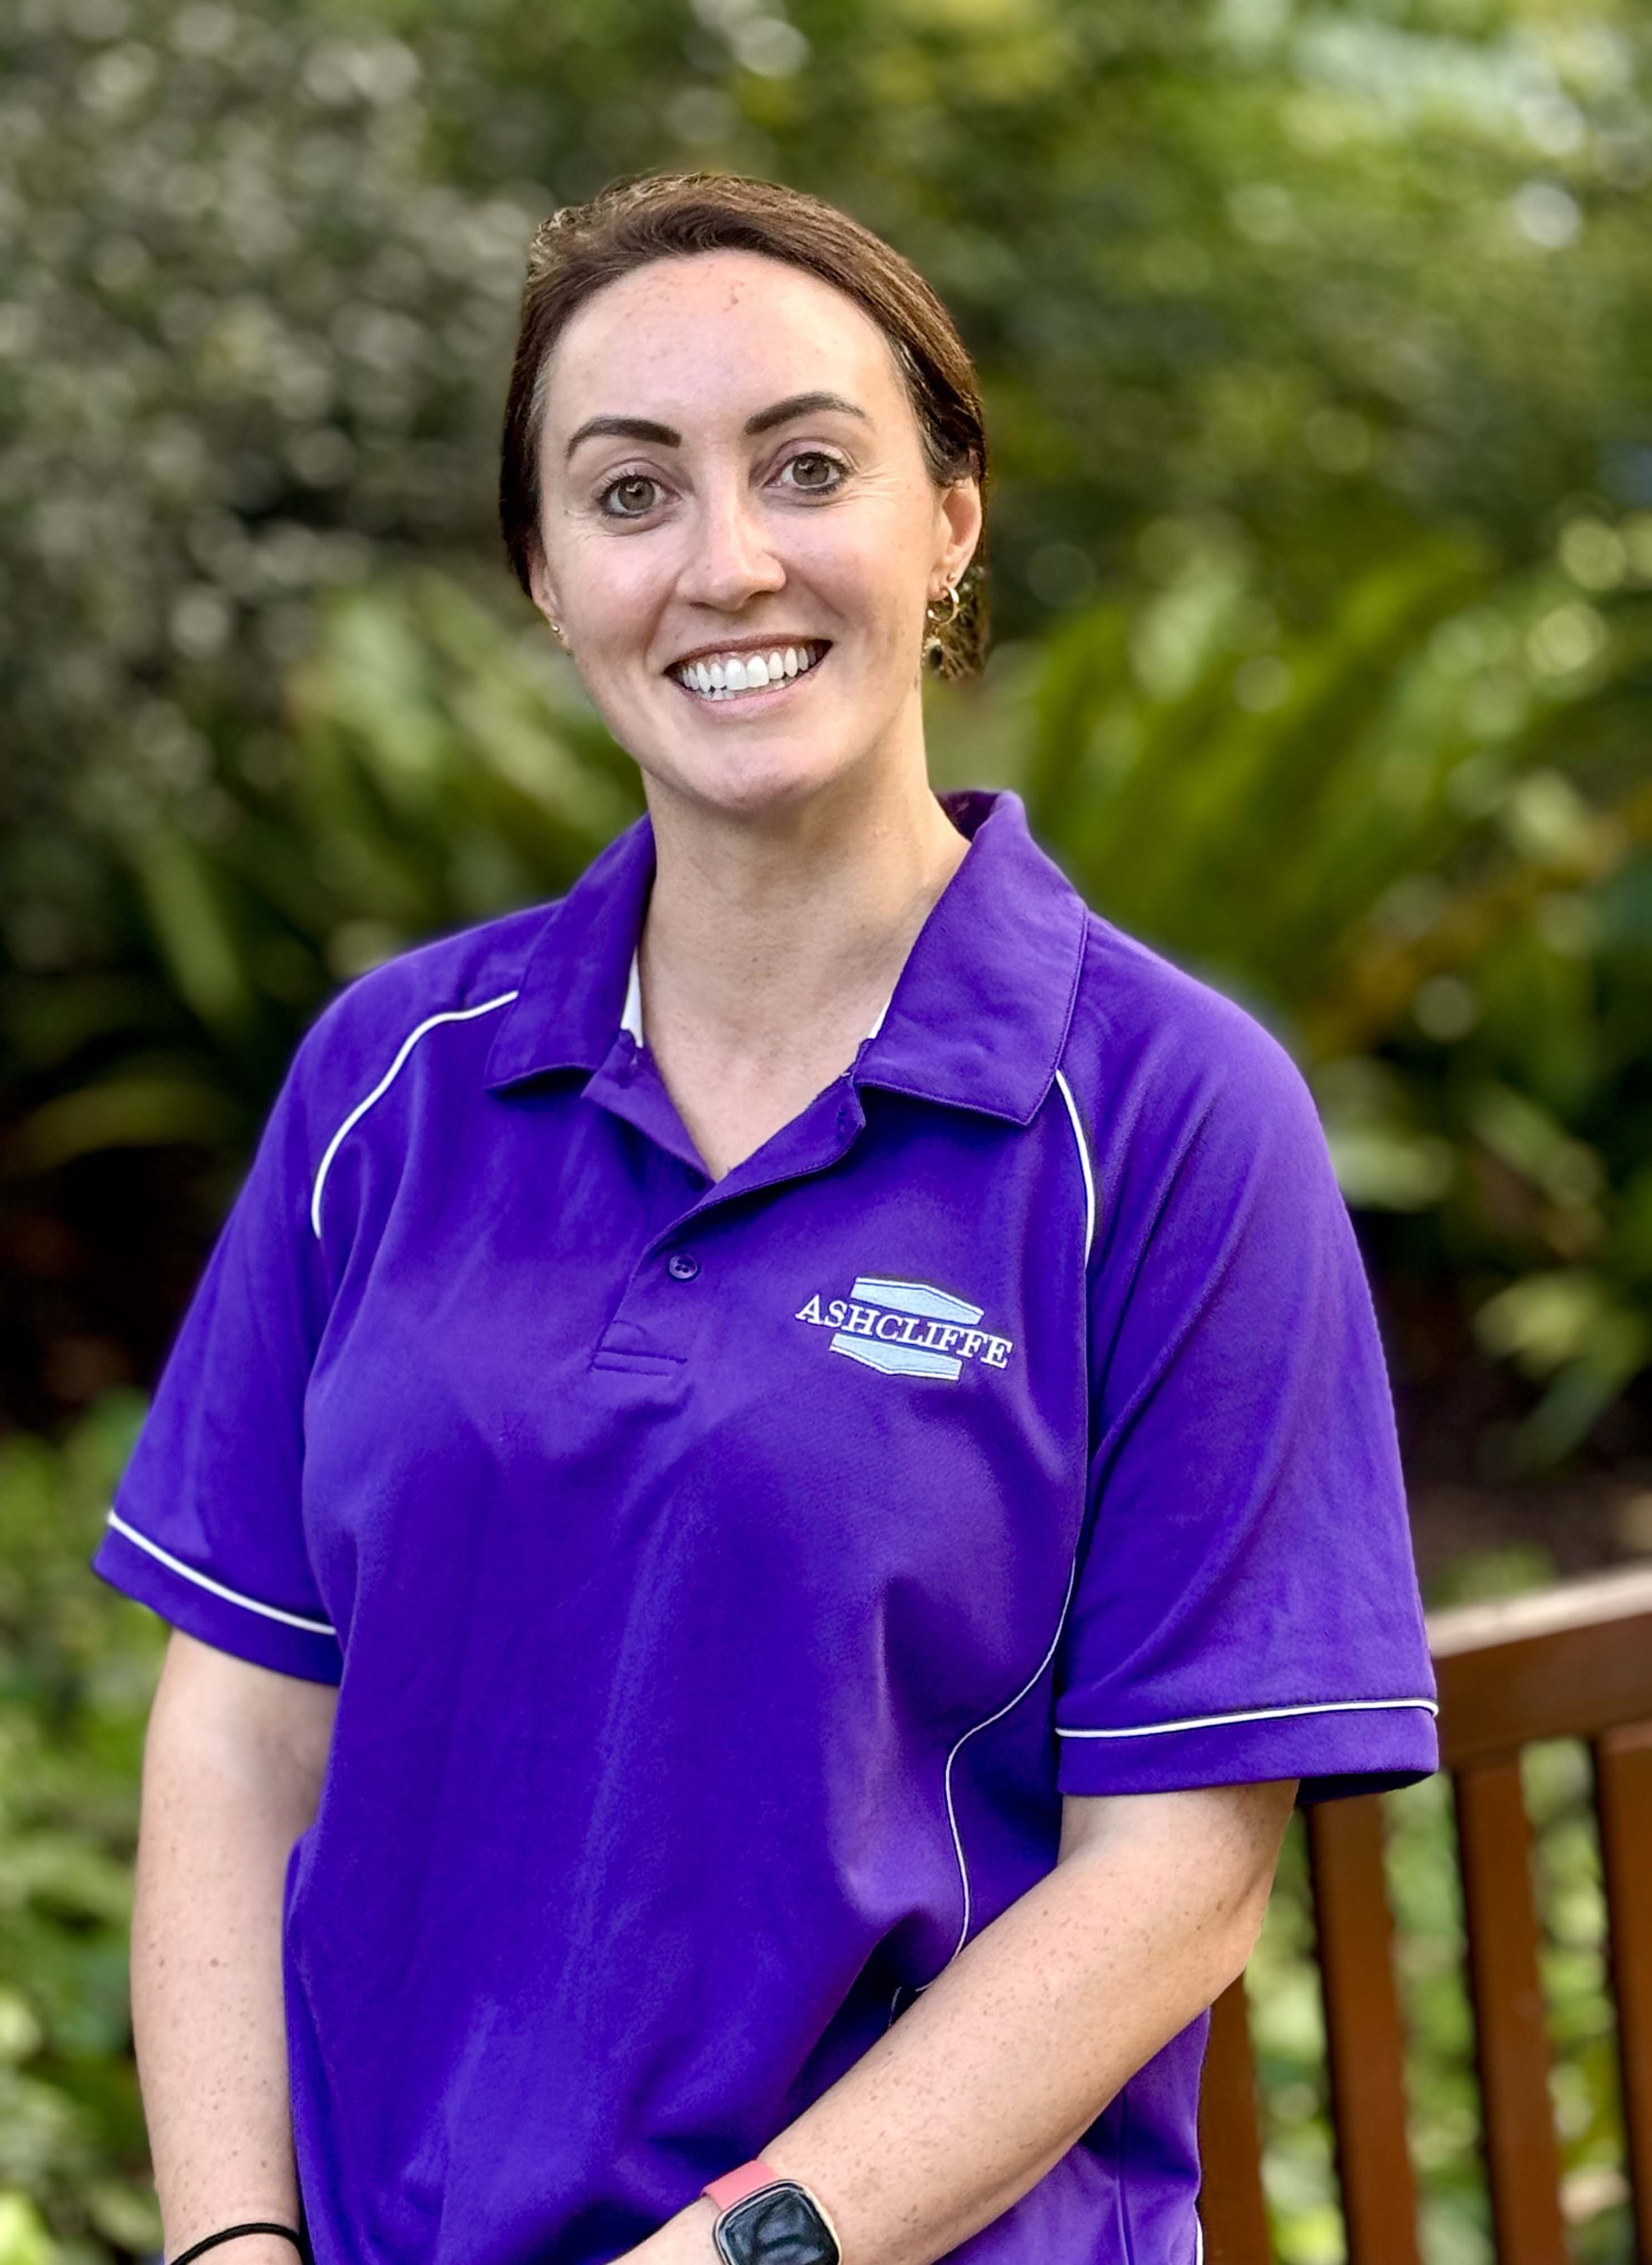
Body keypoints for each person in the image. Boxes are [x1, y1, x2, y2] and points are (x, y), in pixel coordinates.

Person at [92, 172, 1439, 2265]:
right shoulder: (393, 1077)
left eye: (806, 467)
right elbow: (244, 1714)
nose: (727, 563)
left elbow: (1176, 1869)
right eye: (629, 495)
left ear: (948, 524)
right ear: (546, 577)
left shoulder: (1169, 1119)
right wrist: (229, 2244)